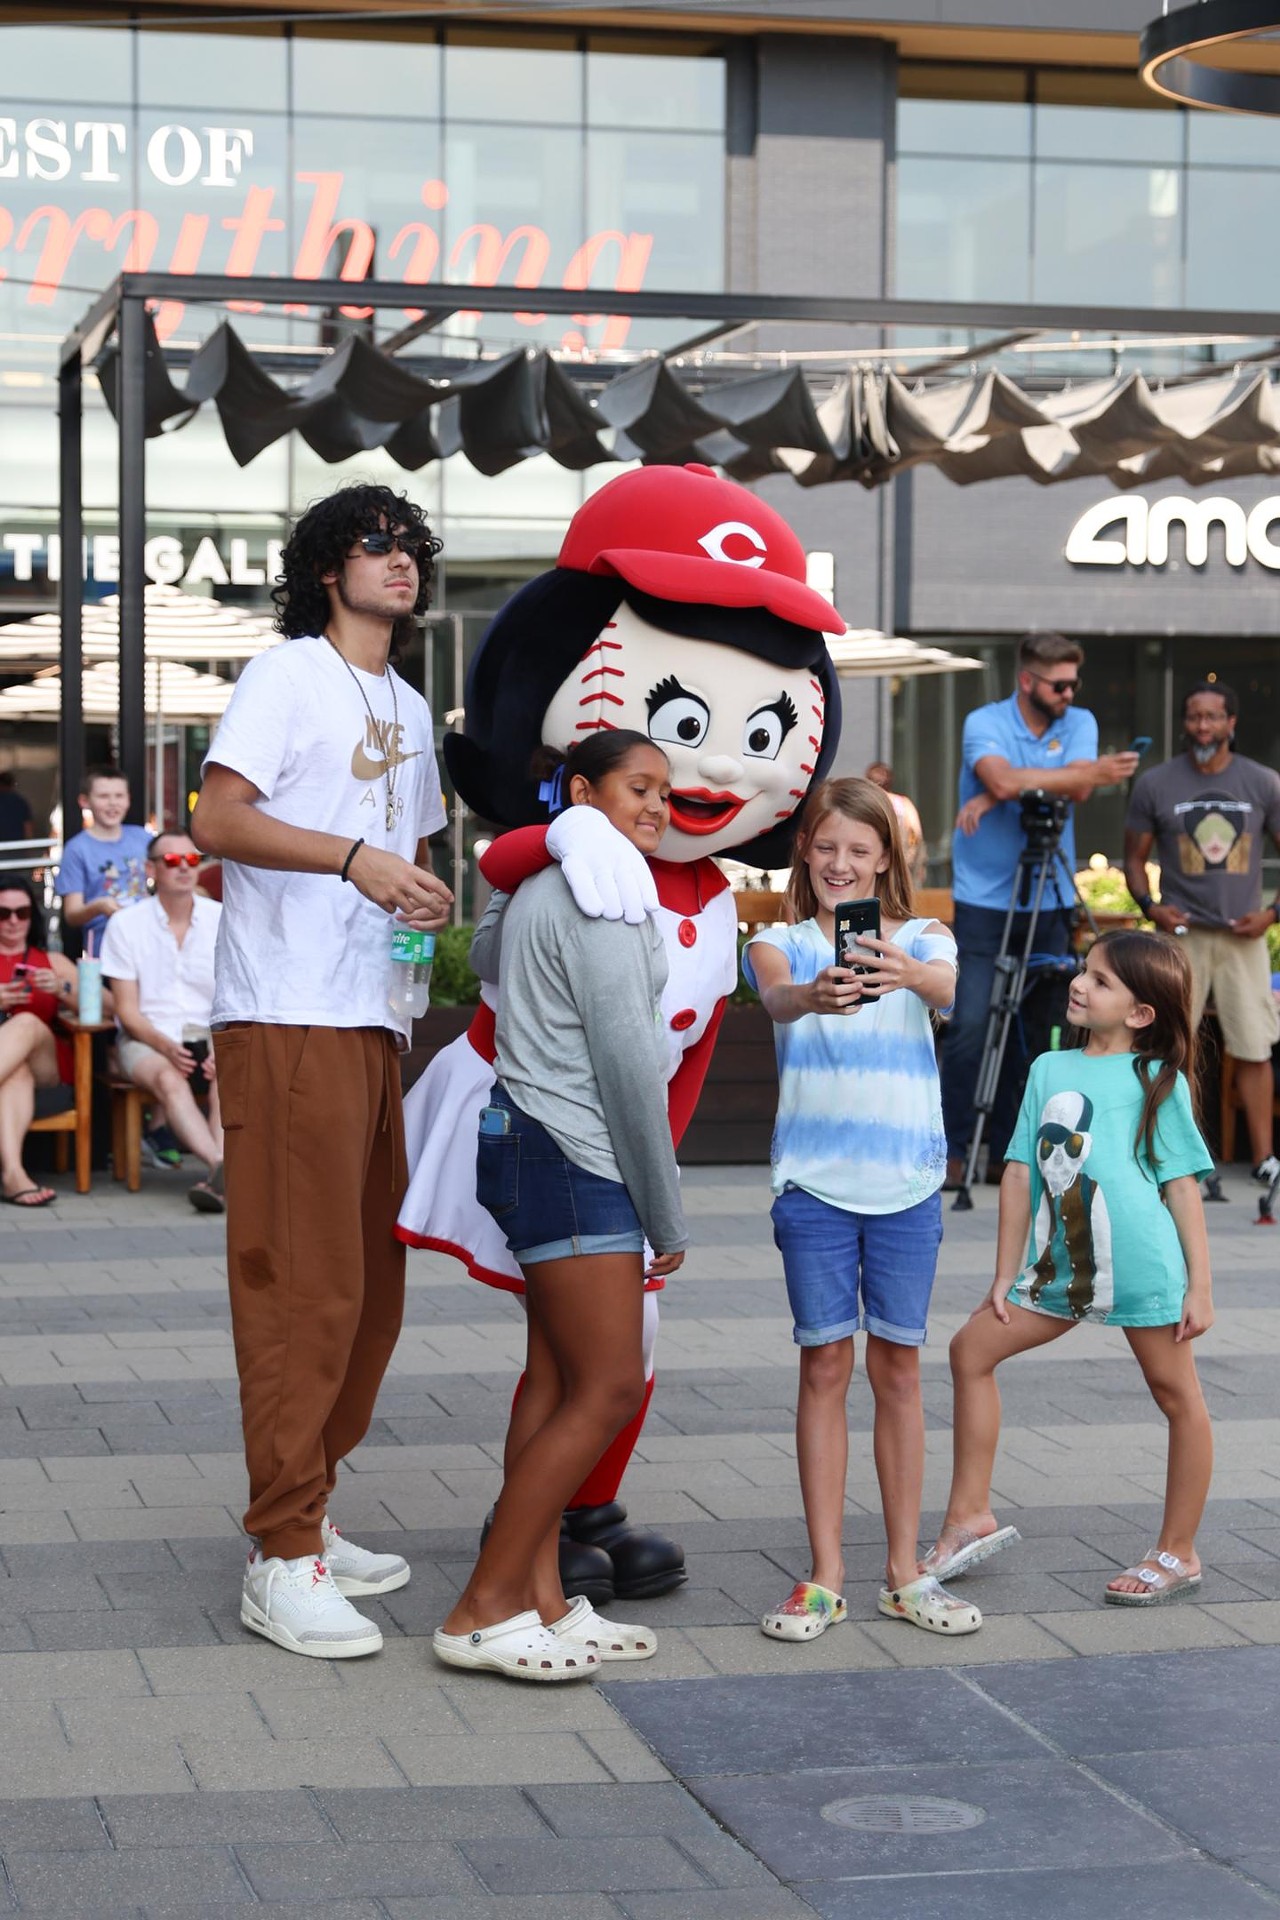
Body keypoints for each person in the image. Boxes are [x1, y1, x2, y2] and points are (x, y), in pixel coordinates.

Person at [396, 459, 845, 1608]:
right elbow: (512, 891)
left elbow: (682, 1052)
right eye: (657, 749)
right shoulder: (577, 870)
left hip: (619, 1151)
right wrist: (561, 839)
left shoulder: (700, 898)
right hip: (544, 1125)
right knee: (583, 1356)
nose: (690, 777)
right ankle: (519, 1546)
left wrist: (660, 1180)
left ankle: (576, 1515)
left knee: (611, 1354)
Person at [190, 482, 452, 1662]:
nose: (398, 561)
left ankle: (311, 1507)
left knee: (370, 1290)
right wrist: (352, 858)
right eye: (374, 543)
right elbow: (217, 819)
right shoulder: (284, 674)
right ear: (325, 563)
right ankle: (280, 1553)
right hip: (284, 1015)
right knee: (302, 1292)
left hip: (373, 1021)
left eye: (410, 547)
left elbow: (412, 854)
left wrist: (418, 894)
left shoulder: (408, 698)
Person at [433, 732, 688, 1683]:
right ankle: (484, 1605)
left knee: (551, 1379)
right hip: (575, 1151)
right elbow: (628, 1066)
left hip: (525, 1137)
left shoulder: (549, 879)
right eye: (638, 787)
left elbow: (489, 952)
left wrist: (542, 846)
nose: (658, 806)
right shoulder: (605, 896)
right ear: (584, 791)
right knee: (611, 1383)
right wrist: (667, 1215)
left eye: (667, 791)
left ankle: (538, 1598)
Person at [743, 776, 979, 1639]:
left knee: (901, 1372)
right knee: (823, 1368)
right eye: (828, 846)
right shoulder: (780, 941)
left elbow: (949, 988)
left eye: (861, 850)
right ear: (806, 850)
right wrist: (813, 995)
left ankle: (905, 1572)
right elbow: (772, 994)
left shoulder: (923, 936)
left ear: (888, 860)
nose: (841, 863)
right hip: (811, 1184)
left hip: (910, 1185)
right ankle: (824, 1576)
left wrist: (910, 973)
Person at [924, 930, 1215, 1606]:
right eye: (1084, 971)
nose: (1080, 984)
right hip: (1061, 1267)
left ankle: (1179, 1550)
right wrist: (1004, 1273)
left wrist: (1201, 1285)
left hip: (1143, 1266)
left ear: (1141, 1013)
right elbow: (1021, 1173)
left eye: (1102, 980)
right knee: (970, 1350)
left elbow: (1180, 1187)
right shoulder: (1049, 1067)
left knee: (1178, 1398)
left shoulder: (1155, 1079)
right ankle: (969, 1517)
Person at [941, 634, 1141, 1187]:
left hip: (1049, 897)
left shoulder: (1078, 720)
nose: (1070, 693)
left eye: (1074, 682)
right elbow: (1057, 779)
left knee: (1039, 1030)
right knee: (973, 1025)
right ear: (1027, 680)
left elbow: (1072, 791)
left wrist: (1002, 791)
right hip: (984, 900)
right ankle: (955, 1147)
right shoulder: (985, 720)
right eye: (1059, 684)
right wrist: (1004, 786)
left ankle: (1013, 1151)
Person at [1124, 681, 1280, 1186]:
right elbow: (1132, 857)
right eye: (1194, 717)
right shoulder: (1156, 783)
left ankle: (1264, 1160)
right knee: (1170, 1045)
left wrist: (1272, 915)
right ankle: (1168, 1152)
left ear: (1231, 723)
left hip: (1243, 937)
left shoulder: (1262, 783)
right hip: (1180, 938)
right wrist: (1151, 907)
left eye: (1213, 717)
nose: (1202, 726)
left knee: (1254, 1047)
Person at [99, 831, 225, 1214]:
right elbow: (127, 1012)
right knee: (169, 1077)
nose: (184, 868)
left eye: (191, 860)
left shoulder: (223, 918)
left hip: (210, 1033)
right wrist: (164, 1045)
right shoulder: (126, 924)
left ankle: (219, 1179)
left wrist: (220, 1046)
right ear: (152, 869)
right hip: (146, 1038)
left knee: (230, 1076)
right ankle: (221, 1167)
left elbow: (233, 997)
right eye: (172, 862)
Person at [0, 875, 79, 1207]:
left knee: (28, 1022)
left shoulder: (53, 962)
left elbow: (107, 1006)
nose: (14, 921)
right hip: (14, 1068)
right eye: (3, 914)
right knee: (15, 1073)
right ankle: (14, 1175)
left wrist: (61, 990)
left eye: (22, 913)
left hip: (47, 1060)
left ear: (33, 917)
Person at [56, 766, 152, 954]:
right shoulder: (76, 849)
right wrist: (100, 906)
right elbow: (72, 914)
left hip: (149, 937)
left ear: (128, 799)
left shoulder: (143, 838)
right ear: (85, 801)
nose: (112, 803)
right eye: (103, 796)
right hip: (106, 946)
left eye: (119, 796)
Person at [866, 761, 926, 884]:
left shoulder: (864, 804)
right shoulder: (903, 804)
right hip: (900, 867)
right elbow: (915, 835)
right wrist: (910, 859)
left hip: (870, 868)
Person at [0, 770, 33, 843]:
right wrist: (29, 845)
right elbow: (28, 827)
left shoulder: (20, 802)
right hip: (17, 846)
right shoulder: (20, 802)